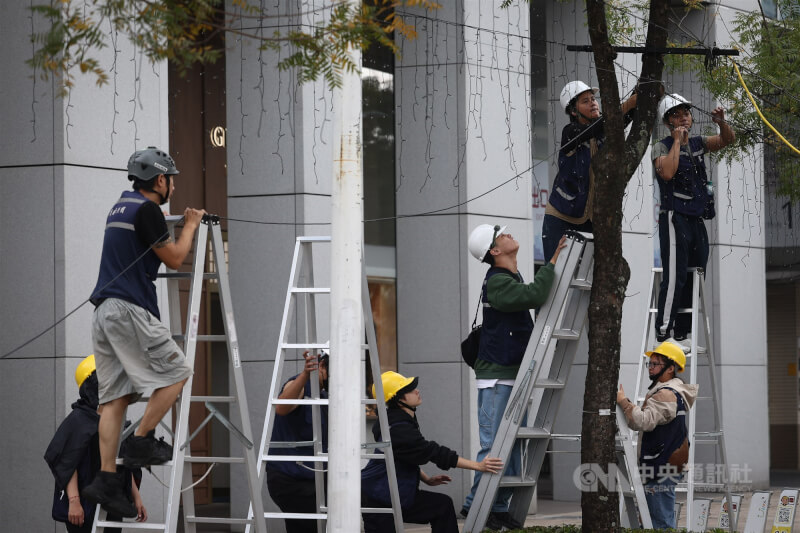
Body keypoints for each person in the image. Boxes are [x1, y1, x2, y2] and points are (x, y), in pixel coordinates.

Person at [81, 146, 206, 517]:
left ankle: (106, 480)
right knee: (179, 373)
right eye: (171, 179)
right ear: (160, 179)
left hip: (104, 312)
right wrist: (191, 226)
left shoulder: (120, 205)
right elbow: (175, 258)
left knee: (115, 398)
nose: (173, 186)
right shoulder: (148, 210)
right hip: (128, 309)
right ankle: (140, 441)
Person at [461, 224, 565, 530]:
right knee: (494, 445)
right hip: (497, 377)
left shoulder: (509, 278)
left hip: (510, 374)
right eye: (501, 235)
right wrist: (554, 261)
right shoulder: (497, 282)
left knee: (512, 446)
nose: (509, 235)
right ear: (494, 251)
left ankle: (499, 504)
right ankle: (475, 505)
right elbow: (535, 295)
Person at [361, 371, 504, 533]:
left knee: (441, 506)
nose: (417, 391)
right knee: (441, 506)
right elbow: (433, 452)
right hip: (379, 497)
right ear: (399, 399)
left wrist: (426, 479)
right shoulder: (399, 428)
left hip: (386, 492)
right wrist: (478, 466)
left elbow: (404, 455)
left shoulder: (395, 421)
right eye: (410, 389)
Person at [652, 94, 734, 343]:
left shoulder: (698, 142)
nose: (683, 119)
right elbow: (667, 173)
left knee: (696, 273)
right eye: (676, 115)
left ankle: (683, 331)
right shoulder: (662, 145)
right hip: (675, 217)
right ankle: (664, 329)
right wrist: (677, 142)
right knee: (675, 275)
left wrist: (721, 122)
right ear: (668, 122)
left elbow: (727, 140)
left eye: (685, 114)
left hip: (696, 219)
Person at [45, 355, 147, 532]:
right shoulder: (78, 420)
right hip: (83, 505)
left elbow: (121, 462)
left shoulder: (116, 419)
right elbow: (68, 463)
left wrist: (136, 498)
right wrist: (74, 501)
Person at [541, 80, 638, 262]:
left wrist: (641, 90)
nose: (593, 103)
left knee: (588, 276)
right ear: (573, 111)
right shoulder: (571, 132)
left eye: (593, 99)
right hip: (561, 216)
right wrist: (627, 104)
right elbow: (599, 126)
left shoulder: (604, 131)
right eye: (585, 101)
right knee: (555, 274)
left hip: (590, 220)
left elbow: (623, 118)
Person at [616, 340, 698, 529]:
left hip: (661, 465)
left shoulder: (666, 394)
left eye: (655, 364)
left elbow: (643, 421)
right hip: (666, 463)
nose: (650, 368)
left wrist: (624, 403)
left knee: (659, 522)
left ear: (670, 368)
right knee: (655, 519)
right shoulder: (671, 391)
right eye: (649, 363)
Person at [266, 349, 329, 533]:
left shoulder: (325, 397)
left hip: (314, 477)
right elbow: (282, 407)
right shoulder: (300, 385)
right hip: (291, 479)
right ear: (322, 366)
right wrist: (305, 374)